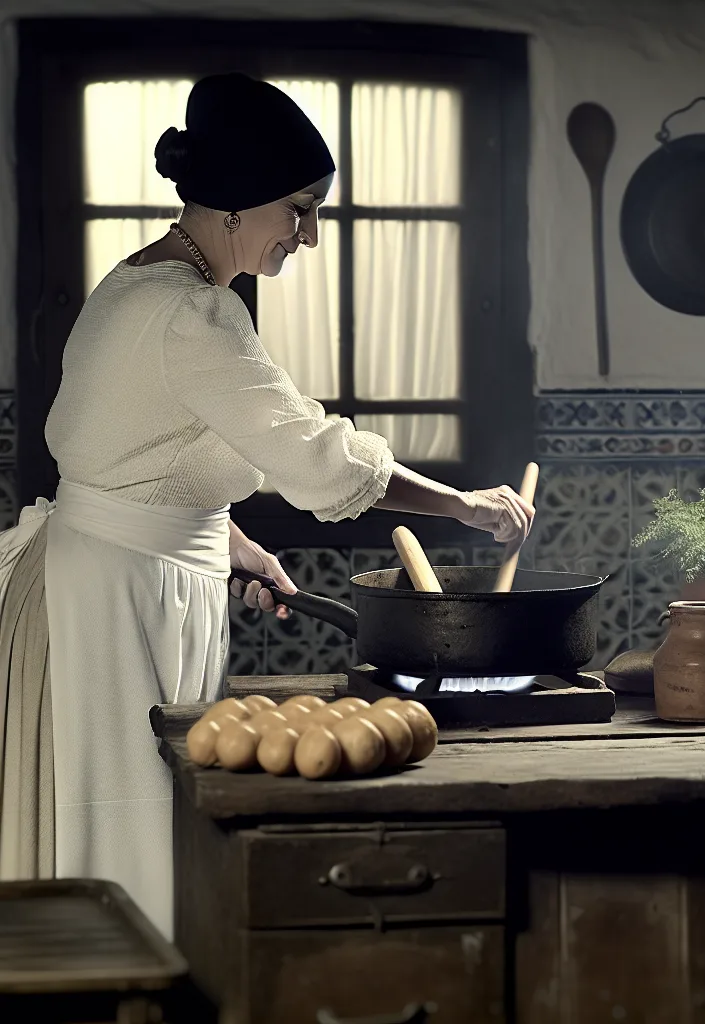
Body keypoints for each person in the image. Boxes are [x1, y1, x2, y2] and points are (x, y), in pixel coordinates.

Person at [0, 73, 533, 940]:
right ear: (237, 205)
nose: (309, 235)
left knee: (136, 835)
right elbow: (316, 456)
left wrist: (230, 539)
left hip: (107, 576)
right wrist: (465, 506)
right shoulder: (193, 312)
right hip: (109, 603)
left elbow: (144, 453)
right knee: (126, 845)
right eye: (301, 209)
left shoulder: (133, 283)